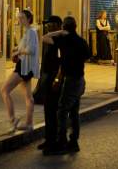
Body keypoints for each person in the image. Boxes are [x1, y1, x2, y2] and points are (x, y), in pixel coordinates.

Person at [42, 17, 90, 155]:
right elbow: (87, 56)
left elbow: (45, 38)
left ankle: (61, 142)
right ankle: (73, 141)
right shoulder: (81, 41)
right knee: (74, 112)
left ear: (63, 27)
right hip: (80, 78)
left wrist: (58, 33)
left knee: (62, 111)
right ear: (75, 26)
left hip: (70, 80)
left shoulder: (62, 40)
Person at [1, 10, 39, 133]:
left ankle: (13, 119)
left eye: (22, 18)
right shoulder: (29, 32)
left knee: (4, 90)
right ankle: (29, 123)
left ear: (28, 19)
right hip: (25, 67)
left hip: (24, 67)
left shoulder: (31, 32)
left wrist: (18, 52)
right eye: (19, 17)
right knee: (29, 97)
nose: (20, 20)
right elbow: (25, 47)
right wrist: (17, 48)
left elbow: (31, 50)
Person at [36, 15, 62, 152]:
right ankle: (48, 139)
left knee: (53, 111)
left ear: (57, 25)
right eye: (47, 25)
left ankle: (54, 141)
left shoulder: (59, 40)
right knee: (47, 110)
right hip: (46, 77)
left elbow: (61, 63)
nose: (47, 27)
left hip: (54, 78)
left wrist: (57, 79)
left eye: (50, 24)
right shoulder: (49, 39)